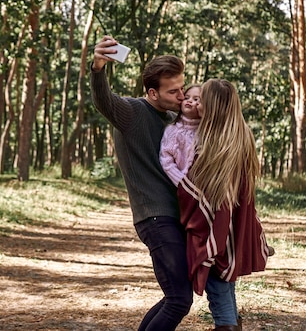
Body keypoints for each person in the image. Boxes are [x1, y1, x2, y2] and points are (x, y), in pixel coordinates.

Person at [90, 35, 192, 330]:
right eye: (173, 91)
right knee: (178, 300)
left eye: (182, 88)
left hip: (176, 217)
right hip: (154, 217)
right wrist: (98, 67)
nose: (181, 95)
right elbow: (103, 101)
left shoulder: (174, 119)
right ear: (152, 93)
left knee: (175, 298)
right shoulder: (132, 112)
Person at [176, 79, 272, 331]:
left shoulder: (211, 144)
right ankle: (233, 325)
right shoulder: (239, 134)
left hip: (217, 229)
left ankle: (227, 326)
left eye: (202, 99)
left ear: (211, 106)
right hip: (233, 227)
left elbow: (193, 190)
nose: (197, 102)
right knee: (226, 286)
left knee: (218, 290)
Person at [159, 84, 201, 187]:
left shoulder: (206, 132)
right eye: (186, 98)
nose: (189, 101)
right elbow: (166, 161)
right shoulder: (172, 130)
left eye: (196, 99)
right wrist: (182, 183)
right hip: (179, 187)